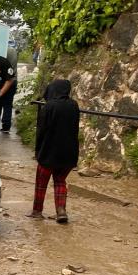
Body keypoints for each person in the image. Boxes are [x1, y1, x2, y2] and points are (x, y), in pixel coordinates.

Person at [29, 79, 80, 223]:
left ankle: (37, 211)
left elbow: (41, 130)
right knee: (60, 181)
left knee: (41, 183)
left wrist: (38, 151)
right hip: (69, 153)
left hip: (49, 152)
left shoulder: (49, 106)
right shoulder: (74, 105)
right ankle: (61, 211)